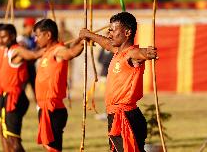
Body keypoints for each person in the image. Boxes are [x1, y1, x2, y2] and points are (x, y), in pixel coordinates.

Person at [79, 12, 157, 152]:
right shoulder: (118, 52)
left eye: (113, 30)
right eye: (109, 30)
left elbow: (142, 53)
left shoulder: (132, 53)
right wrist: (89, 34)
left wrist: (148, 53)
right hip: (115, 115)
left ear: (127, 32)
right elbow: (107, 44)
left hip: (126, 116)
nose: (110, 33)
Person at [32, 19, 84, 152]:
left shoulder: (58, 51)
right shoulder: (48, 51)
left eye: (37, 36)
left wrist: (82, 42)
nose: (35, 40)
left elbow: (71, 53)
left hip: (53, 109)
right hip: (45, 107)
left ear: (48, 35)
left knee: (54, 148)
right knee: (50, 147)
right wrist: (79, 39)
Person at [0, 23, 44, 152]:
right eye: (0, 37)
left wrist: (50, 48)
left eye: (4, 37)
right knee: (9, 138)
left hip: (15, 99)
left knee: (14, 140)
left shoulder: (17, 50)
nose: (1, 40)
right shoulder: (7, 49)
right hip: (8, 97)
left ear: (12, 36)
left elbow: (33, 55)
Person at [16, 17, 37, 101]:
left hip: (32, 67)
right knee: (21, 91)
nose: (32, 29)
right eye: (31, 27)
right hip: (23, 68)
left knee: (36, 90)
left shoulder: (33, 38)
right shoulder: (20, 39)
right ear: (26, 26)